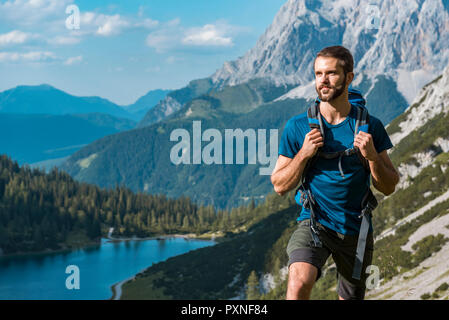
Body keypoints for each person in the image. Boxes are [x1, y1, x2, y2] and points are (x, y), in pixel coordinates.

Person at [270, 45, 400, 300]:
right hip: (314, 221)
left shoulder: (370, 126)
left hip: (357, 228)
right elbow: (279, 184)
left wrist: (373, 157)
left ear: (349, 78)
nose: (323, 81)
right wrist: (304, 154)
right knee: (298, 282)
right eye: (318, 74)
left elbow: (389, 185)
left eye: (331, 73)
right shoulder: (298, 127)